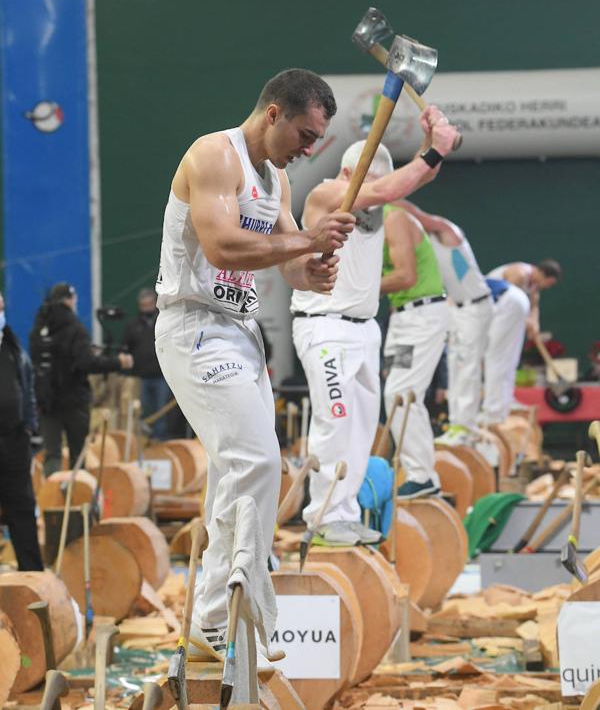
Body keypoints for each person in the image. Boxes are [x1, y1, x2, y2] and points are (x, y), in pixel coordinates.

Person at [154, 68, 356, 659]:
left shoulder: (277, 182)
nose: (310, 148)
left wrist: (311, 272)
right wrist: (307, 243)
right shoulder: (214, 155)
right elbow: (222, 246)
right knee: (257, 461)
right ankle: (220, 610)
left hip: (239, 332)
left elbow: (287, 258)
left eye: (317, 139)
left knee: (232, 474)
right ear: (273, 114)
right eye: (305, 133)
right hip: (195, 326)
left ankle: (208, 623)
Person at [290, 111, 459, 546]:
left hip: (364, 329)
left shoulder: (381, 196)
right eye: (368, 184)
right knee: (336, 420)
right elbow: (388, 187)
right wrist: (434, 148)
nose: (375, 195)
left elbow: (408, 183)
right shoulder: (327, 192)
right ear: (349, 173)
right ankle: (323, 516)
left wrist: (429, 142)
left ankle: (342, 514)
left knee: (363, 428)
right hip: (324, 328)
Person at [399, 202, 493, 447]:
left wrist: (386, 196)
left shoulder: (446, 230)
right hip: (458, 308)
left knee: (467, 367)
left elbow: (420, 216)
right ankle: (456, 424)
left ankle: (466, 427)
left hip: (476, 305)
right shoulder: (426, 244)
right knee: (455, 366)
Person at [381, 205, 450, 499]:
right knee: (392, 390)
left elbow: (406, 276)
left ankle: (422, 475)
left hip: (420, 316)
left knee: (401, 393)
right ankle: (418, 471)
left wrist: (356, 289)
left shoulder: (392, 216)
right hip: (401, 318)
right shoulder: (373, 220)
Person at [30, 283, 133, 476]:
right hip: (73, 399)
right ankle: (76, 500)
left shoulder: (39, 327)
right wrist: (117, 362)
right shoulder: (75, 328)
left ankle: (51, 500)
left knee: (52, 455)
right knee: (78, 456)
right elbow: (87, 363)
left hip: (46, 401)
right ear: (70, 299)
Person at [482, 259, 562, 424]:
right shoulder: (519, 273)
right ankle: (492, 406)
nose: (548, 287)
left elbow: (534, 306)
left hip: (505, 319)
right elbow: (506, 300)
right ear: (542, 274)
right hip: (489, 316)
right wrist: (526, 321)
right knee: (497, 359)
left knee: (511, 359)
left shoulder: (534, 285)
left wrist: (535, 323)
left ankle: (507, 399)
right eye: (550, 283)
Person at [0, 292, 44, 570]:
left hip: (15, 442)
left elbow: (27, 390)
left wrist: (28, 428)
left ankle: (33, 575)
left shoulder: (14, 349)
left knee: (23, 509)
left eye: (2, 307)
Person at [122, 288, 173, 439]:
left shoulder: (164, 323)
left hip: (161, 376)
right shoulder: (132, 326)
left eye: (149, 304)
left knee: (161, 411)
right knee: (140, 411)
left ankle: (160, 440)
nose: (147, 308)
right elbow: (125, 349)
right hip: (140, 378)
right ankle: (141, 442)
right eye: (143, 305)